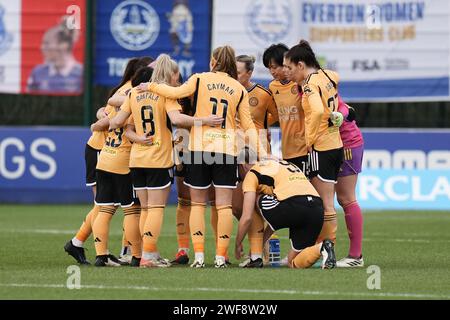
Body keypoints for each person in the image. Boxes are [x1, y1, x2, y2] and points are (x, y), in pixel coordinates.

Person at [137, 46, 262, 268]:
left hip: (198, 148)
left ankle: (199, 257)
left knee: (196, 204)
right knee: (223, 206)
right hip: (226, 150)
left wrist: (151, 86)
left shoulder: (199, 79)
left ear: (214, 61)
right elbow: (250, 125)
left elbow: (175, 93)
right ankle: (221, 257)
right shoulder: (238, 88)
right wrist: (259, 152)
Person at [110, 54, 223, 267]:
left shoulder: (135, 92)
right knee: (155, 209)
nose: (178, 81)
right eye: (177, 76)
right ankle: (148, 256)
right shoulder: (165, 95)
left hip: (136, 159)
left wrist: (103, 122)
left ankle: (143, 253)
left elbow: (117, 122)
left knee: (144, 209)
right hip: (158, 159)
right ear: (170, 74)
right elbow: (178, 119)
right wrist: (205, 121)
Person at [63, 56, 153, 265]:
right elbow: (111, 120)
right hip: (107, 151)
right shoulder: (134, 95)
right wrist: (97, 124)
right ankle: (133, 254)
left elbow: (107, 112)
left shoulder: (125, 91)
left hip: (106, 153)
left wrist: (100, 120)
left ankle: (95, 251)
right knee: (126, 208)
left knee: (104, 206)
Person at [284, 40, 344, 245]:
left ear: (301, 65)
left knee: (325, 203)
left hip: (321, 147)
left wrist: (309, 139)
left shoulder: (309, 84)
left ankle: (328, 249)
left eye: (290, 68)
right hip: (336, 144)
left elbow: (317, 111)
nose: (288, 72)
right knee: (328, 201)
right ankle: (325, 247)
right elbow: (336, 83)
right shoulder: (329, 75)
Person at [235, 158, 336, 269]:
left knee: (253, 198)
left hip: (293, 205)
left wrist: (238, 244)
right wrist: (261, 242)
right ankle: (323, 247)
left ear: (242, 165)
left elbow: (247, 217)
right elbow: (276, 220)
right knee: (293, 262)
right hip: (316, 208)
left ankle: (256, 257)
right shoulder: (283, 164)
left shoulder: (252, 173)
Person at [335, 100, 365, 267]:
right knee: (319, 199)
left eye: (290, 70)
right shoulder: (297, 87)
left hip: (345, 143)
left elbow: (345, 108)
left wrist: (341, 115)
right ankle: (315, 253)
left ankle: (355, 256)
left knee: (346, 198)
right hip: (324, 146)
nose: (276, 71)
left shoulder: (320, 82)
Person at [27, 16, 83, 94]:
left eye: (47, 44)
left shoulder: (81, 74)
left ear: (64, 45)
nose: (42, 48)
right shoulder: (37, 72)